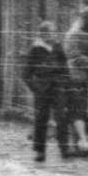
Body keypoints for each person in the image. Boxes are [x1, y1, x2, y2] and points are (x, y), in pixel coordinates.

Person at [24, 21, 72, 162]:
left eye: (55, 32)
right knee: (41, 119)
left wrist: (64, 83)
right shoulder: (35, 49)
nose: (54, 35)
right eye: (51, 32)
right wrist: (35, 88)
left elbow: (65, 68)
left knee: (61, 117)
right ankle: (39, 151)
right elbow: (26, 73)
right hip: (42, 89)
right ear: (44, 34)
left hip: (57, 87)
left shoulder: (58, 47)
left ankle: (64, 148)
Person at [62, 6, 88, 155]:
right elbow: (74, 56)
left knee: (79, 111)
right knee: (76, 110)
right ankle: (81, 142)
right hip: (74, 76)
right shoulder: (73, 33)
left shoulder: (87, 33)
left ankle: (77, 143)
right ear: (87, 18)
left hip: (83, 77)